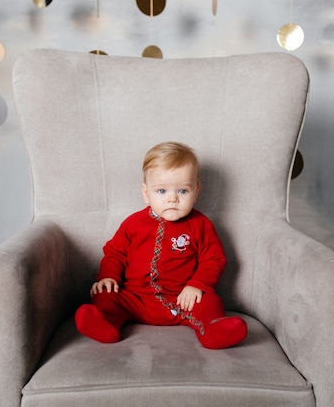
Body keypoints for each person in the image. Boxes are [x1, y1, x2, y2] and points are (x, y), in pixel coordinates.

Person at [75, 142, 247, 349]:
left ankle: (213, 329)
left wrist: (197, 285)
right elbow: (115, 253)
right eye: (162, 191)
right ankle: (105, 322)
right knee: (105, 295)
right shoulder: (133, 223)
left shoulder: (200, 225)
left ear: (196, 191)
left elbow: (214, 259)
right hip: (135, 299)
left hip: (183, 300)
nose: (173, 199)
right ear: (146, 193)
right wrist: (108, 276)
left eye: (183, 191)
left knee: (211, 303)